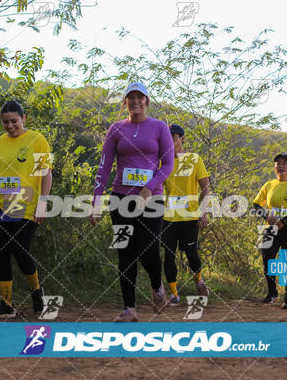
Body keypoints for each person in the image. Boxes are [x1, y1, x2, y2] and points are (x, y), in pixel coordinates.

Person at [90, 82, 174, 322]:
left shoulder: (159, 128)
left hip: (151, 199)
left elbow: (168, 165)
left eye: (140, 97)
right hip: (120, 198)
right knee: (125, 251)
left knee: (148, 249)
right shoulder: (116, 129)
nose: (135, 101)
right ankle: (129, 308)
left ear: (147, 100)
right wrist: (96, 201)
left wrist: (148, 189)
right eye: (131, 97)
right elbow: (104, 167)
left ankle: (158, 287)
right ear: (125, 101)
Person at [0, 100, 52, 318]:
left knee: (20, 248)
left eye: (14, 121)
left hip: (27, 204)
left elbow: (46, 173)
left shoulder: (37, 140)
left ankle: (37, 291)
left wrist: (43, 202)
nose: (9, 126)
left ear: (23, 119)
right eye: (5, 122)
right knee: (2, 253)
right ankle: (6, 304)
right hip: (1, 205)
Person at [160, 124, 211, 306]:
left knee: (192, 254)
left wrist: (203, 212)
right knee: (169, 254)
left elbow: (205, 187)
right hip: (168, 218)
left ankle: (199, 280)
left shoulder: (194, 159)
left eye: (173, 137)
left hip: (190, 217)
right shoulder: (162, 162)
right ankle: (174, 295)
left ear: (182, 138)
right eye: (166, 137)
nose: (170, 141)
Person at [252, 153, 287, 310]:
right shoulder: (269, 185)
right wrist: (266, 216)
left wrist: (283, 221)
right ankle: (272, 293)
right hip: (271, 228)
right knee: (267, 257)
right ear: (274, 167)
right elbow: (255, 204)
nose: (281, 166)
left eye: (284, 163)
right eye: (278, 163)